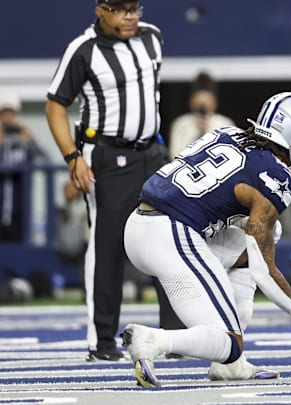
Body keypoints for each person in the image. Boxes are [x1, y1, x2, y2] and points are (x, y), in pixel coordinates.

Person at [121, 91, 291, 387]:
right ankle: (153, 340)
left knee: (260, 236)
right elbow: (263, 270)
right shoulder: (275, 177)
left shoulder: (227, 132)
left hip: (140, 223)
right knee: (229, 343)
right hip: (171, 234)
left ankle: (231, 366)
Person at [45, 0, 182, 362]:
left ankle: (173, 337)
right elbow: (55, 105)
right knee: (107, 248)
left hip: (151, 153)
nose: (130, 16)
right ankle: (102, 341)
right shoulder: (83, 49)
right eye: (121, 9)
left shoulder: (152, 37)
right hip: (107, 156)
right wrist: (72, 156)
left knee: (167, 242)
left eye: (135, 8)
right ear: (100, 10)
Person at [0, 91, 45, 242]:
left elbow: (45, 160)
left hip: (21, 213)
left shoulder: (24, 142)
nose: (8, 118)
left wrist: (31, 140)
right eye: (4, 113)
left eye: (11, 113)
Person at [168, 72, 235, 158]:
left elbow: (231, 154)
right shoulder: (181, 124)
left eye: (208, 99)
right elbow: (174, 156)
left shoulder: (225, 124)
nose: (203, 104)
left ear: (215, 102)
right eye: (198, 99)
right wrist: (196, 132)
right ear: (191, 101)